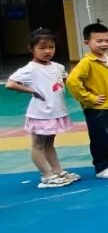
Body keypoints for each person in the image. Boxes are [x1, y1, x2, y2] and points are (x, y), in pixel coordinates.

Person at [5, 28, 79, 188]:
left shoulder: (58, 67)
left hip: (55, 111)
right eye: (42, 48)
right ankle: (46, 175)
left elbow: (63, 80)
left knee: (49, 144)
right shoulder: (30, 69)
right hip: (40, 114)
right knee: (38, 145)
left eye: (51, 47)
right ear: (31, 49)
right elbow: (10, 84)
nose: (47, 51)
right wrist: (31, 90)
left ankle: (57, 171)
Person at [66, 22, 108, 179]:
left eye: (107, 40)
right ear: (87, 42)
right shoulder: (87, 62)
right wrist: (89, 98)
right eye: (99, 41)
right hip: (97, 109)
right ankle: (102, 167)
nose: (104, 44)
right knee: (101, 138)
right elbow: (72, 81)